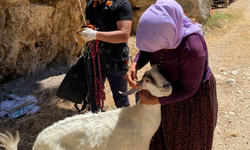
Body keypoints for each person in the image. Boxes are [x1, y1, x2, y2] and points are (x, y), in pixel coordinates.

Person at [126, 0, 218, 149]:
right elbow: (148, 48)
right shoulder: (165, 35)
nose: (157, 49)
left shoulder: (193, 48)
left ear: (171, 33)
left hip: (191, 105)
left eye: (160, 46)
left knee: (187, 144)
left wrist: (153, 100)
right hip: (165, 94)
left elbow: (189, 90)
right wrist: (135, 65)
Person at [77, 0, 132, 108]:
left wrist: (95, 34)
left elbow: (124, 35)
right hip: (95, 58)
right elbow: (89, 26)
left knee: (121, 99)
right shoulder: (91, 5)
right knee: (93, 98)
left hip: (115, 59)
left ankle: (126, 123)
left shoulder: (121, 4)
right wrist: (85, 33)